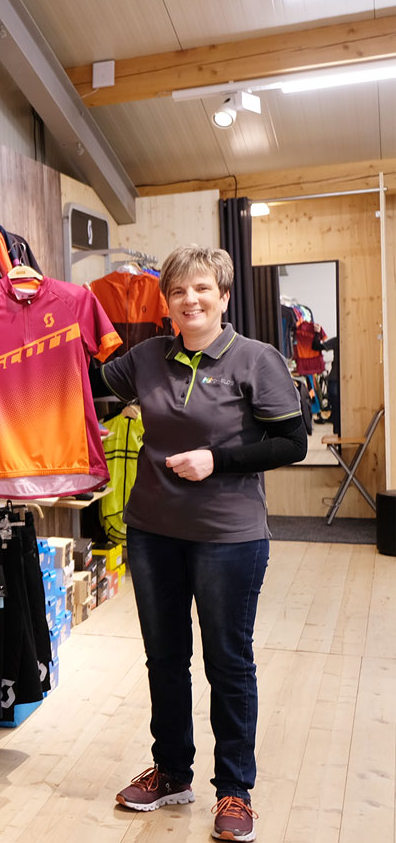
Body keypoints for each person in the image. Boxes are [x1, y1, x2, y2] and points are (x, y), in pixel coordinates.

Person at [97, 245, 306, 842]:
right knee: (164, 657)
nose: (190, 300)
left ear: (223, 296)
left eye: (201, 289)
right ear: (165, 303)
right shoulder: (146, 357)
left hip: (228, 538)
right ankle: (171, 772)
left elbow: (292, 443)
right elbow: (87, 387)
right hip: (152, 532)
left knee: (228, 661)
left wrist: (218, 459)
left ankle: (235, 790)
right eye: (178, 292)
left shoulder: (257, 359)